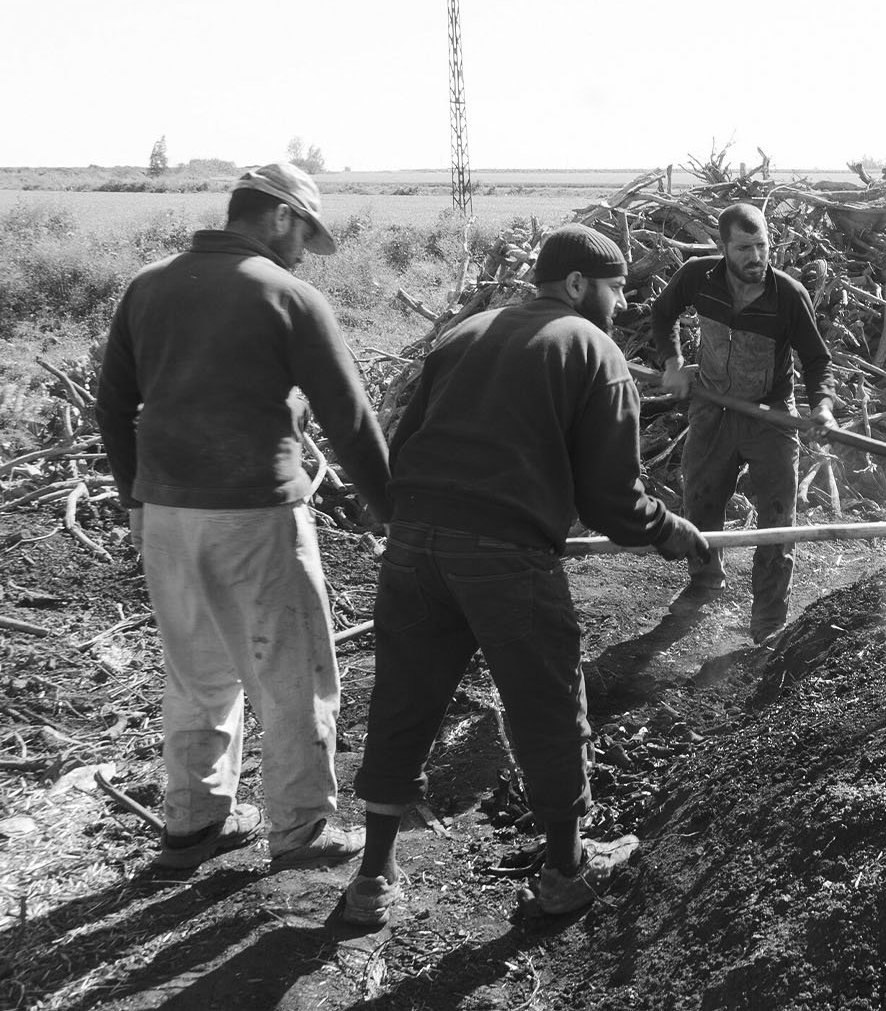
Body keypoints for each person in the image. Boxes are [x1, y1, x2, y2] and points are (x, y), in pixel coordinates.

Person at [343, 224, 711, 926]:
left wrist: (420, 522)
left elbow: (405, 436)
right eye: (615, 288)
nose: (623, 306)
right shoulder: (591, 349)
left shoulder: (467, 332)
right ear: (577, 284)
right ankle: (567, 874)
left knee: (404, 700)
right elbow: (613, 498)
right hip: (504, 557)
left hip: (414, 544)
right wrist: (671, 531)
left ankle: (371, 878)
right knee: (548, 703)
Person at [94, 162, 391, 872]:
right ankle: (301, 829)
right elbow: (349, 421)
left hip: (166, 513)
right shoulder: (287, 295)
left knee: (196, 675)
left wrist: (136, 498)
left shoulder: (149, 284)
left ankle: (192, 823)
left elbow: (113, 405)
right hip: (256, 514)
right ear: (282, 216)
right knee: (291, 671)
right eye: (303, 234)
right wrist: (397, 514)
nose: (301, 251)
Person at [652, 203, 835, 643]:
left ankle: (768, 618)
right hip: (712, 408)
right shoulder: (699, 278)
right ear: (723, 248)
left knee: (777, 520)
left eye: (762, 246)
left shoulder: (788, 296)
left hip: (769, 416)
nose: (756, 257)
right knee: (700, 500)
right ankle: (704, 580)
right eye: (744, 248)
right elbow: (663, 314)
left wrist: (823, 406)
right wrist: (674, 361)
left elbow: (817, 360)